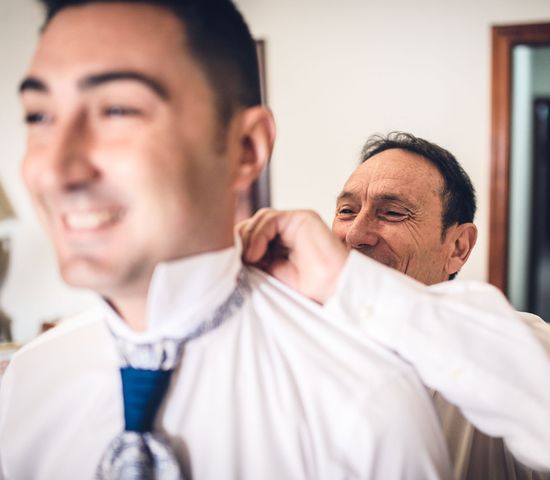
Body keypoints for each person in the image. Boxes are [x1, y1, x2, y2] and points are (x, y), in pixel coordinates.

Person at [0, 2, 452, 478]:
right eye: (39, 116)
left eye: (117, 110)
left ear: (246, 148)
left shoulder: (366, 407)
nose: (55, 170)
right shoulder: (28, 384)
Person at [238, 133, 550, 479]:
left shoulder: (511, 344)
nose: (355, 233)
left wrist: (353, 285)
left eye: (392, 213)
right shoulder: (293, 345)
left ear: (458, 247)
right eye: (346, 211)